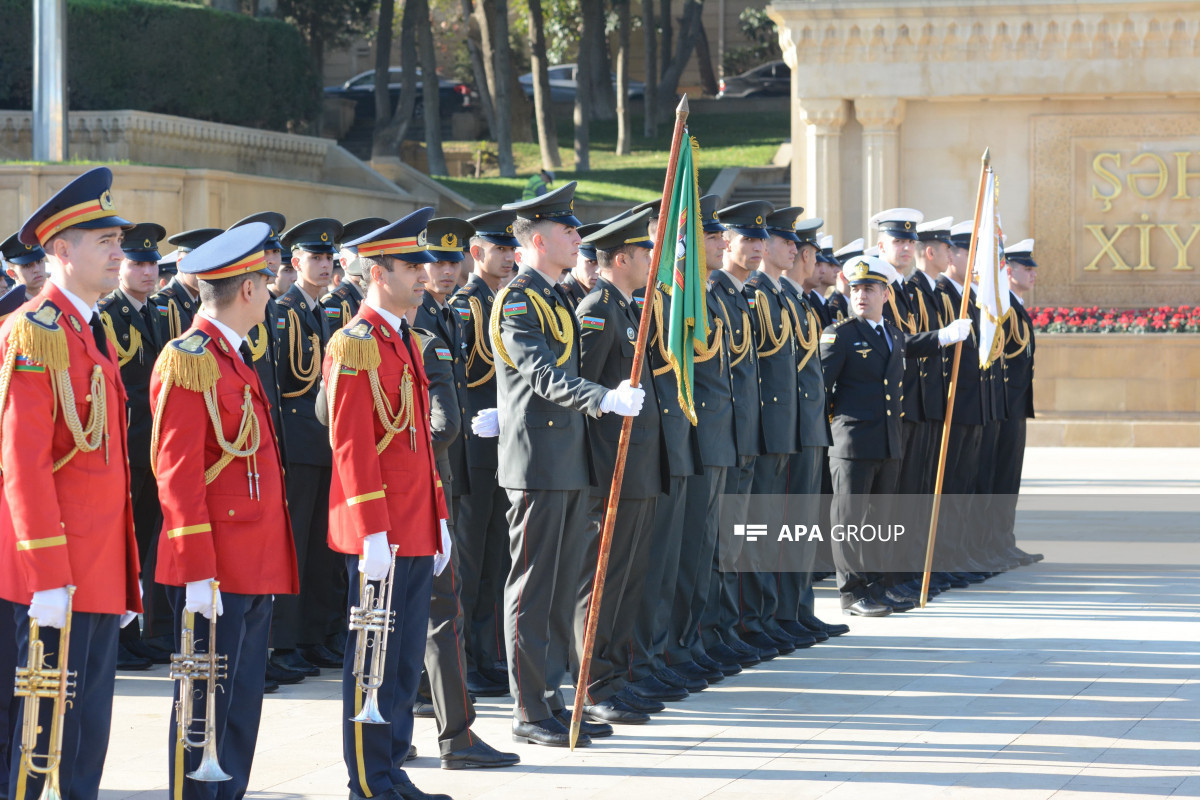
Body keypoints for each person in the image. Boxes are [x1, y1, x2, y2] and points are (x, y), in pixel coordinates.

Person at [474, 182, 644, 747]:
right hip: (537, 464)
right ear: (540, 238)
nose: (578, 238)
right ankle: (528, 707)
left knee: (561, 584)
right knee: (531, 586)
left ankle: (552, 695)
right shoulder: (519, 299)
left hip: (565, 458)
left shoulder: (555, 296)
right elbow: (540, 373)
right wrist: (603, 397)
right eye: (570, 231)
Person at [0, 166, 142, 800]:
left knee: (83, 740)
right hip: (54, 574)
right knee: (37, 742)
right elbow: (22, 464)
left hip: (95, 569)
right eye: (104, 241)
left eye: (118, 239)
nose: (120, 253)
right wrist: (47, 575)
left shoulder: (89, 329)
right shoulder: (36, 330)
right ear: (61, 251)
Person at [150, 222, 299, 798]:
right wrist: (195, 569)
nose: (270, 289)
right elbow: (177, 475)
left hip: (252, 558)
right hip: (216, 564)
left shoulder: (231, 355)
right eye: (265, 279)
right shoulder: (190, 359)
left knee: (239, 702)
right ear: (247, 290)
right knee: (204, 700)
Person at [324, 209, 453, 800]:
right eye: (413, 267)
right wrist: (373, 531)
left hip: (415, 526)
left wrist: (439, 519)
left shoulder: (401, 338)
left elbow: (416, 444)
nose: (425, 277)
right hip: (381, 532)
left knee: (402, 662)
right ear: (379, 272)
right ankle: (369, 780)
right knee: (371, 661)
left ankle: (393, 769)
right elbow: (351, 446)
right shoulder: (355, 344)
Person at [820, 256, 970, 616]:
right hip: (853, 444)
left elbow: (910, 346)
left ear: (885, 294)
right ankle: (851, 593)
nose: (860, 296)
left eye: (869, 289)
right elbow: (820, 389)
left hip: (887, 441)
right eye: (856, 289)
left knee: (880, 520)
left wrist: (945, 337)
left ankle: (876, 586)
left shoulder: (889, 333)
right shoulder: (839, 334)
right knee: (849, 520)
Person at [574, 210, 666, 724]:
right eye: (647, 253)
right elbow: (586, 393)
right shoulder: (597, 308)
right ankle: (592, 684)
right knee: (602, 581)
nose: (653, 261)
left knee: (628, 578)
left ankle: (616, 676)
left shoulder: (628, 309)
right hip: (612, 468)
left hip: (639, 467)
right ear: (624, 258)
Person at [271, 217, 347, 678]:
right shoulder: (282, 312)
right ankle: (285, 642)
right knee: (295, 547)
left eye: (328, 258)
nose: (324, 264)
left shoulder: (329, 312)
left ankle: (315, 636)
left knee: (323, 550)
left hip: (326, 444)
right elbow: (280, 386)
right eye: (315, 258)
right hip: (297, 445)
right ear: (295, 262)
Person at [448, 210, 518, 693]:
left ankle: (486, 653)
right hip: (474, 448)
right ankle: (464, 661)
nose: (511, 258)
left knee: (496, 559)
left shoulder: (507, 301)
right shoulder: (465, 305)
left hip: (506, 445)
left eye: (513, 249)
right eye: (501, 250)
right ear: (477, 254)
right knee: (469, 563)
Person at [99, 222, 174, 671]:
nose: (148, 271)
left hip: (153, 446)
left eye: (152, 263)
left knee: (144, 544)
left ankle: (136, 631)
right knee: (119, 545)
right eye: (138, 263)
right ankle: (116, 635)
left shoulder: (159, 313)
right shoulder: (108, 313)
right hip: (125, 445)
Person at [995, 239, 1043, 567]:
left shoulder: (1017, 305)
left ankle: (1004, 541)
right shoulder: (1003, 307)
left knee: (1009, 477)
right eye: (1027, 268)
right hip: (1003, 403)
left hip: (1016, 404)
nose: (1033, 273)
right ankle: (994, 543)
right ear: (1008, 271)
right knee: (998, 479)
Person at [151, 228, 222, 340]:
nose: (208, 271)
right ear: (180, 263)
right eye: (201, 265)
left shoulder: (206, 302)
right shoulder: (161, 305)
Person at [322, 217, 387, 332]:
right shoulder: (335, 303)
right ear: (344, 263)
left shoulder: (383, 297)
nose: (369, 262)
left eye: (373, 256)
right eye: (360, 258)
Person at [559, 223, 601, 310]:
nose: (598, 270)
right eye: (591, 261)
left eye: (603, 264)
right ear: (575, 257)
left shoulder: (603, 296)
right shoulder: (563, 298)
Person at [0, 232, 48, 301]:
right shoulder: (8, 308)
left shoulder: (55, 298)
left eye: (39, 261)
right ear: (12, 273)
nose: (37, 269)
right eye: (27, 265)